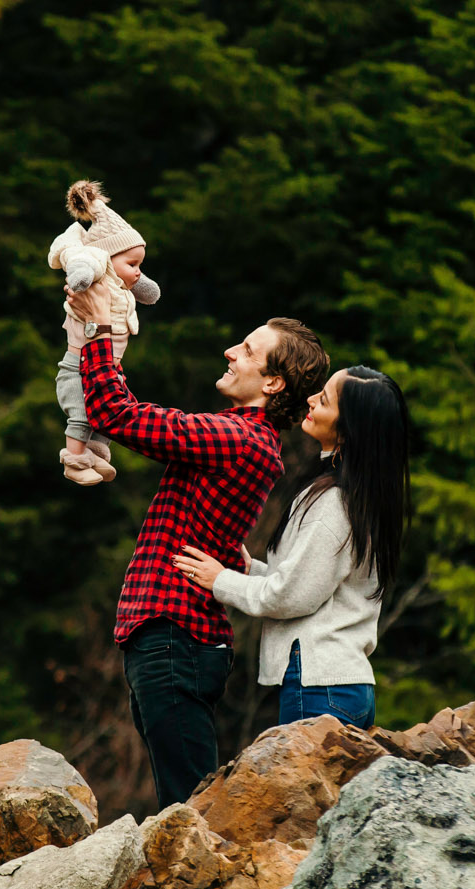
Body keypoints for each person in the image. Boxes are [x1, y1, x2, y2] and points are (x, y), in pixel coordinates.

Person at [66, 280, 330, 808]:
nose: (232, 352)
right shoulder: (239, 435)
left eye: (248, 351)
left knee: (192, 809)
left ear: (273, 383)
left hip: (176, 639)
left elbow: (118, 415)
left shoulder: (241, 439)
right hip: (167, 638)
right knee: (181, 802)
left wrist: (99, 330)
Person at [172, 366, 409, 729]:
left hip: (320, 689)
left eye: (325, 400)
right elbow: (315, 585)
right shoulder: (361, 500)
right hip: (343, 688)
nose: (312, 399)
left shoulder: (334, 504)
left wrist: (221, 581)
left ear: (349, 431)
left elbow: (290, 597)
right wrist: (249, 570)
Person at [46, 179, 160, 485]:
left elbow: (145, 288)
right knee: (81, 415)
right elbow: (82, 263)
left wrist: (141, 282)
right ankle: (74, 459)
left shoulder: (120, 281)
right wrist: (81, 276)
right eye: (132, 264)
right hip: (78, 368)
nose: (138, 271)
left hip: (108, 366)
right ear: (109, 258)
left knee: (111, 412)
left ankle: (94, 451)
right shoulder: (96, 264)